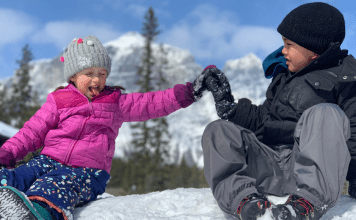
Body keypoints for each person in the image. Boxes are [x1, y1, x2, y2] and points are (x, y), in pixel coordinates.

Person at [0, 35, 211, 220]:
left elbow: (152, 103)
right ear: (72, 75)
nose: (96, 79)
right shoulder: (58, 100)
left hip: (86, 172)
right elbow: (32, 132)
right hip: (47, 161)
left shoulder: (114, 102)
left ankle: (36, 215)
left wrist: (190, 92)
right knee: (15, 178)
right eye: (89, 73)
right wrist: (6, 153)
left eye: (102, 73)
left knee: (52, 186)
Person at [201, 2, 356, 220]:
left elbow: (354, 132)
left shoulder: (347, 77)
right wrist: (230, 108)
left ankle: (305, 204)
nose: (283, 50)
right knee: (217, 131)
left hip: (306, 170)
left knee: (325, 113)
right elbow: (265, 121)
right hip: (268, 166)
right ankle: (245, 202)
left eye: (289, 44)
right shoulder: (284, 75)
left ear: (313, 49)